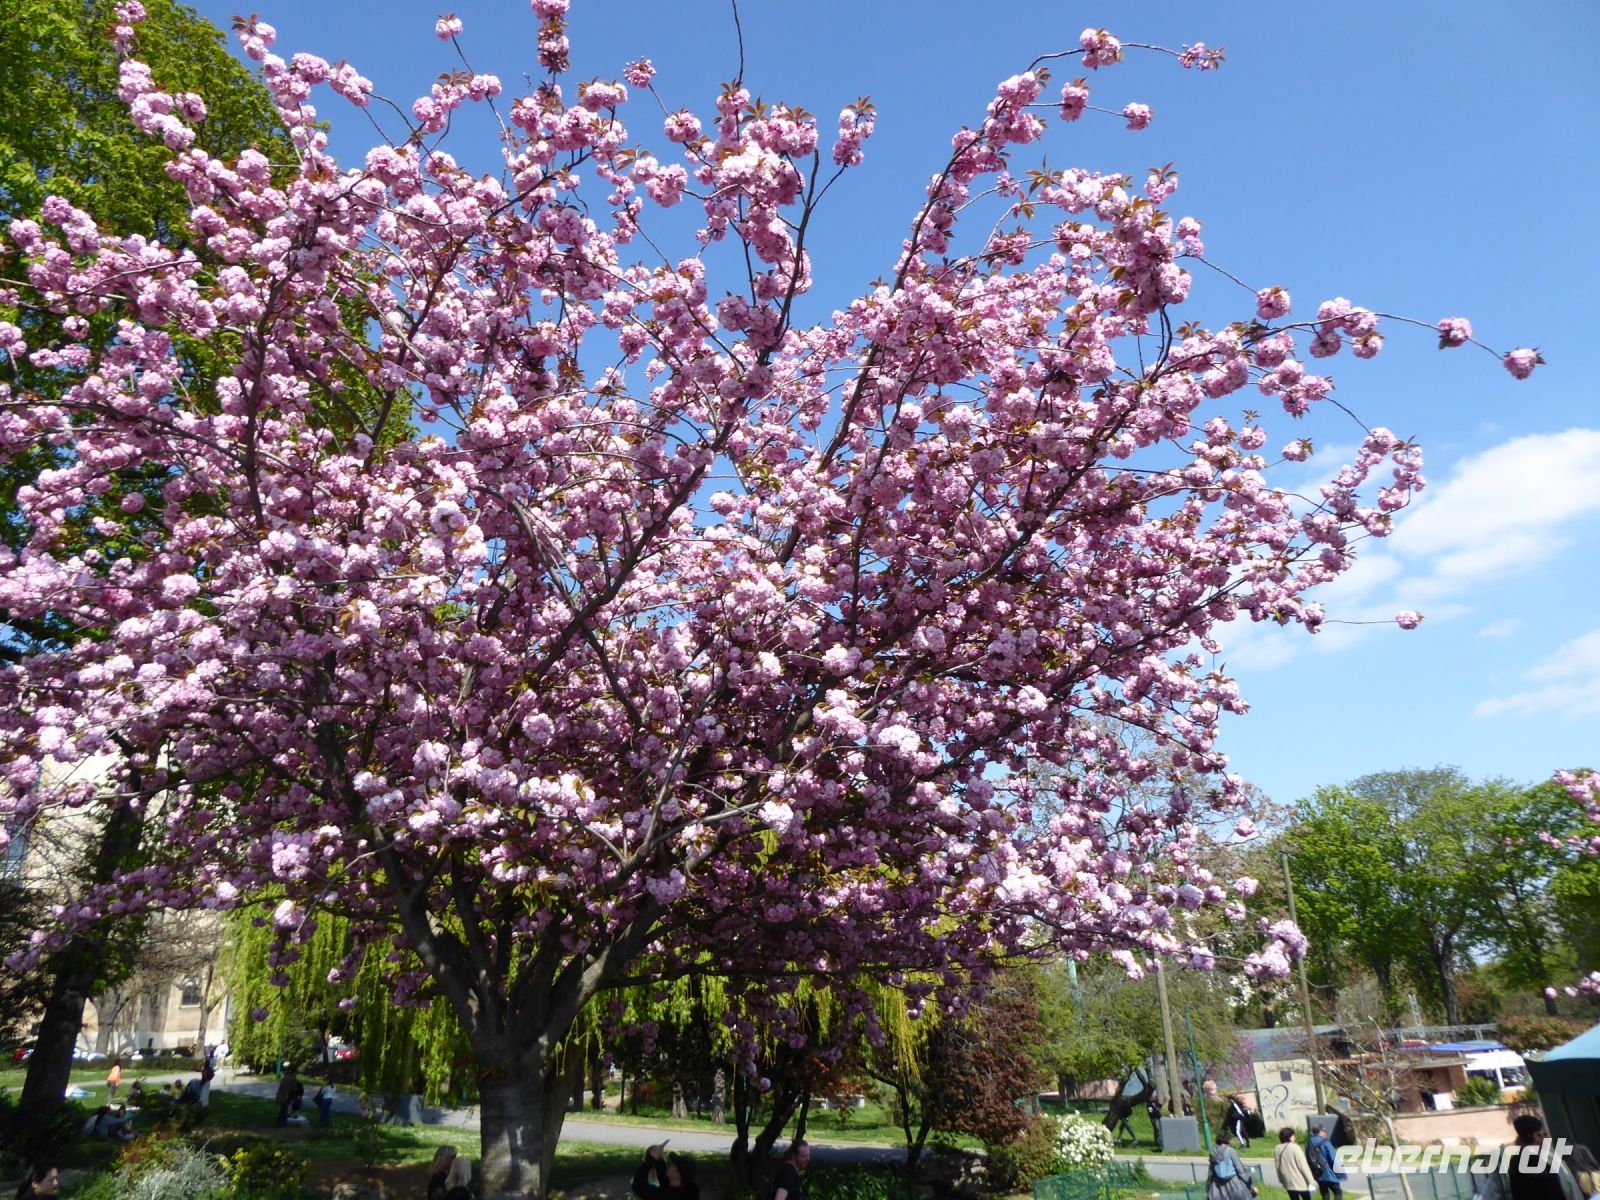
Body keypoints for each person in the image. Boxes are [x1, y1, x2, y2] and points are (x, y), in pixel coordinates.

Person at [1507, 1115, 1569, 1200]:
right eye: (1542, 1134)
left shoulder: (1516, 1160)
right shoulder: (1533, 1162)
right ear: (1535, 1136)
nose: (1545, 1137)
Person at [633, 1143, 699, 1200]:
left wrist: (651, 1158)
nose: (669, 1164)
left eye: (673, 1164)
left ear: (677, 1175)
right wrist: (659, 1159)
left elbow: (639, 1185)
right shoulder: (691, 1190)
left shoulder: (665, 1196)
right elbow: (665, 1181)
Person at [1208, 1130, 1258, 1200]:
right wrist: (1250, 1185)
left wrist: (1208, 1186)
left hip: (1218, 1186)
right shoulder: (1230, 1151)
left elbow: (1211, 1172)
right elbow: (1240, 1170)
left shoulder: (1213, 1152)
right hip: (1234, 1183)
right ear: (1228, 1140)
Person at [1274, 1128, 1316, 1200]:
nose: (1295, 1137)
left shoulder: (1277, 1148)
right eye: (1293, 1135)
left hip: (1288, 1181)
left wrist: (1281, 1179)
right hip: (1300, 1181)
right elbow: (1303, 1166)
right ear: (1289, 1137)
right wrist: (1311, 1181)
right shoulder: (1295, 1148)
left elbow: (1277, 1166)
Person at [1308, 1125, 1347, 1200]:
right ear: (1320, 1131)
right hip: (1329, 1173)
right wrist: (1341, 1172)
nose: (1325, 1133)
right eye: (1324, 1131)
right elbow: (1333, 1158)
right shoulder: (1325, 1142)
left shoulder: (1309, 1143)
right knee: (1337, 1192)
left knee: (1325, 1194)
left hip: (1317, 1173)